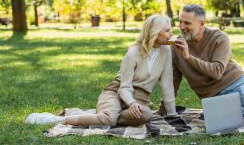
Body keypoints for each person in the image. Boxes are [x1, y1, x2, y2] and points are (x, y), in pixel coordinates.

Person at [26, 14, 177, 126]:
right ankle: (60, 119)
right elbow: (124, 88)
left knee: (145, 115)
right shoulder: (133, 53)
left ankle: (94, 114)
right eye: (167, 31)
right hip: (117, 92)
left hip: (139, 99)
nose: (171, 34)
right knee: (108, 119)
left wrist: (172, 113)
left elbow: (167, 84)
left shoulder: (166, 51)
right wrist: (131, 103)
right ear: (154, 33)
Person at [160, 4, 244, 117]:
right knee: (236, 119)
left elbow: (217, 72)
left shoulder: (219, 37)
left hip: (236, 85)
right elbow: (173, 81)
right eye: (180, 22)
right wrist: (163, 110)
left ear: (202, 24)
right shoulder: (176, 47)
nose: (182, 27)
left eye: (187, 23)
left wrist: (188, 57)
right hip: (213, 98)